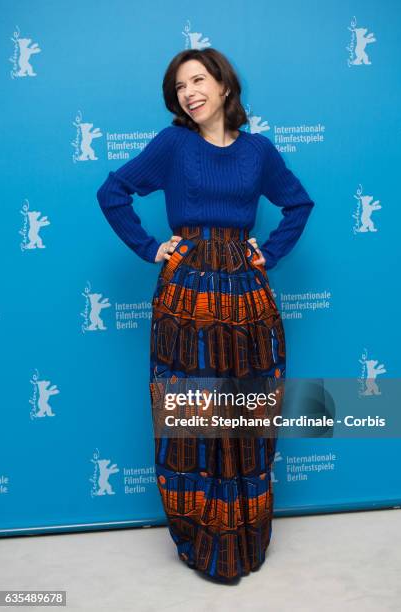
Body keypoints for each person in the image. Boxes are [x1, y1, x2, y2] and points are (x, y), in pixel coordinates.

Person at [96, 47, 314, 584]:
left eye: (197, 80)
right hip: (186, 293)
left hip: (246, 292)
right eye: (178, 88)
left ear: (223, 86)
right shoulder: (173, 144)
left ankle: (243, 538)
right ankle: (198, 540)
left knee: (247, 408)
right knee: (192, 417)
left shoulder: (259, 151)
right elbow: (113, 191)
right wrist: (151, 248)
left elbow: (298, 203)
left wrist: (272, 252)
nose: (188, 93)